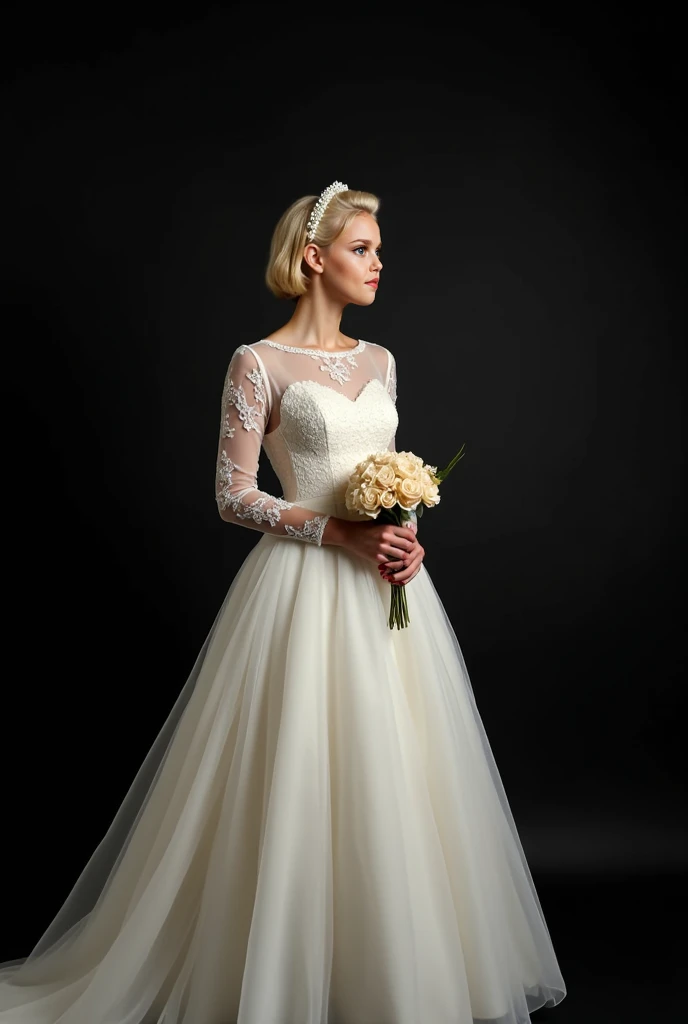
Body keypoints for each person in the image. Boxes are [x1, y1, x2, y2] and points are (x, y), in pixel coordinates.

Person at [0, 182, 567, 1023]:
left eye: (378, 249)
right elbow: (233, 495)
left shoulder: (381, 362)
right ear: (314, 257)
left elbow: (387, 479)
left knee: (399, 773)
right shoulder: (256, 363)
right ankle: (282, 966)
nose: (380, 263)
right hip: (301, 593)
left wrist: (405, 534)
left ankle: (391, 970)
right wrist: (336, 534)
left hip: (387, 591)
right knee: (299, 771)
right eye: (363, 248)